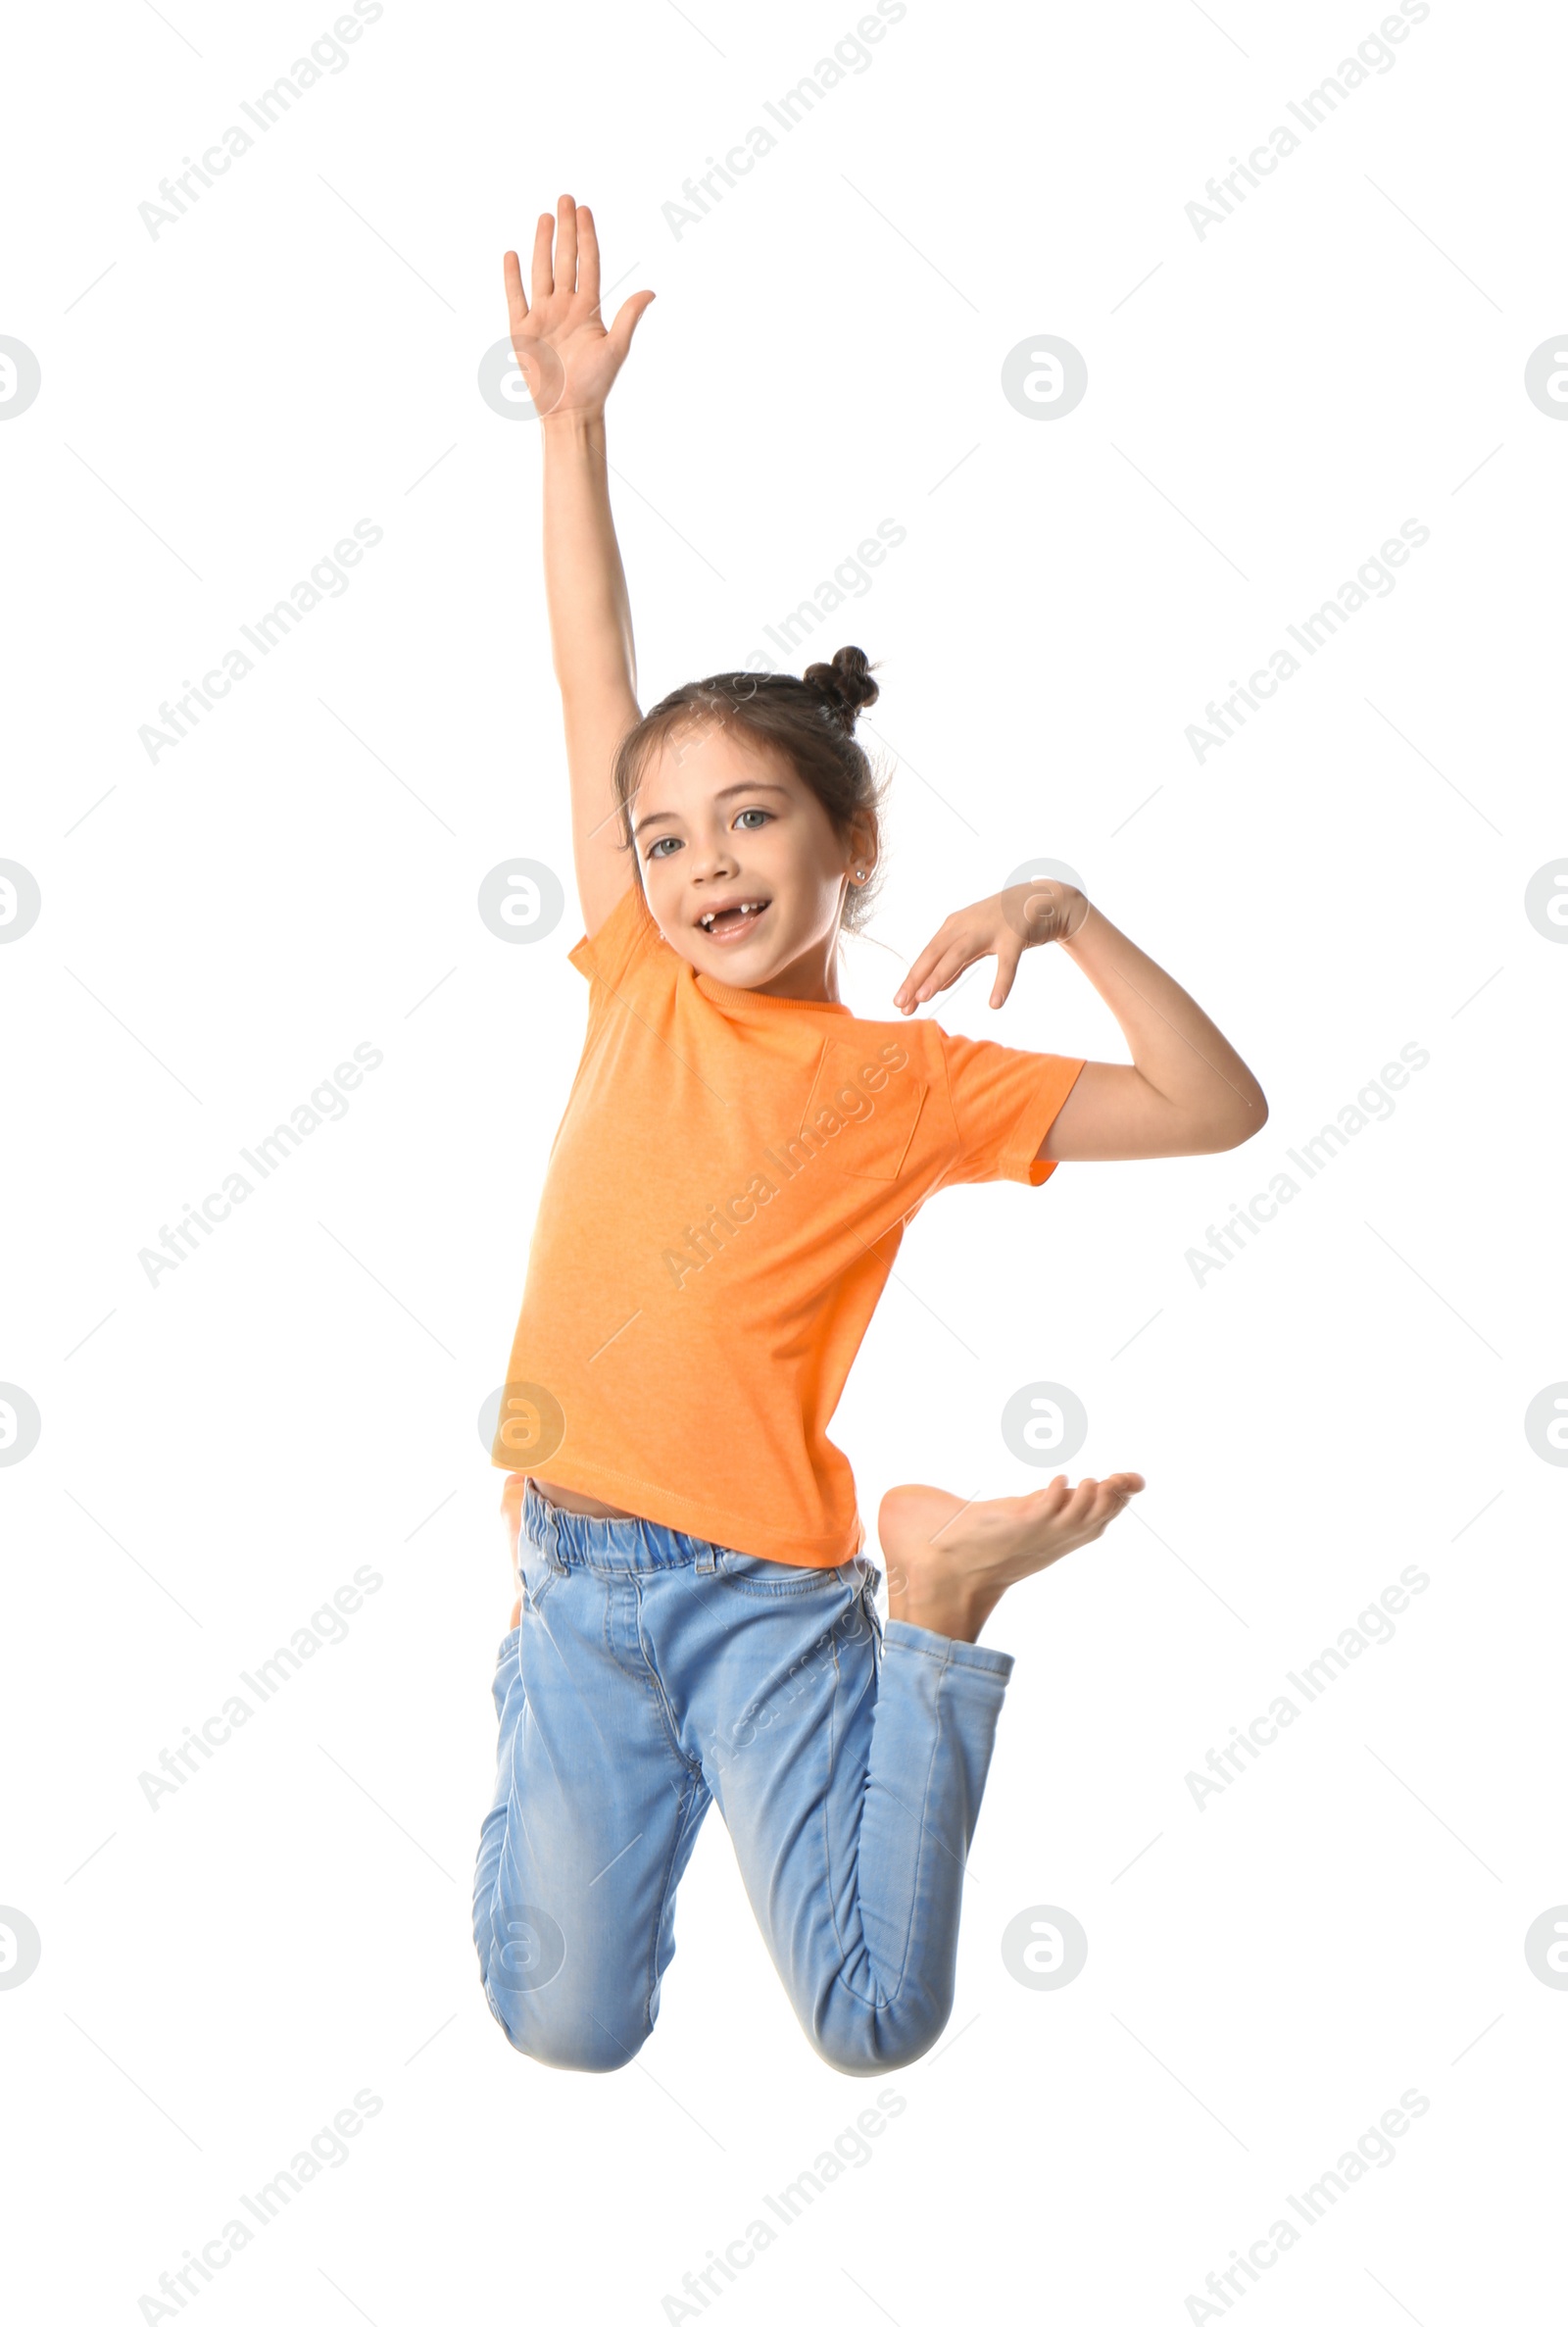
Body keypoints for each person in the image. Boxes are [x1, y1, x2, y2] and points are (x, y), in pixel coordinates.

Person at [471, 194, 1268, 2077]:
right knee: (562, 2027)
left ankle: (937, 1604)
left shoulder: (912, 1080)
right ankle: (556, 1699)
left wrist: (1068, 915)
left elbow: (1215, 1108)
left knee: (872, 2018)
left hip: (763, 1586)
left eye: (749, 822)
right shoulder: (634, 977)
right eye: (664, 840)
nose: (697, 867)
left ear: (851, 847)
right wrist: (573, 428)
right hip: (575, 1575)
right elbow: (598, 674)